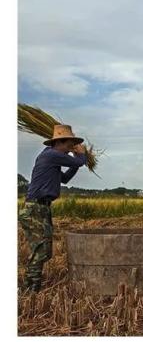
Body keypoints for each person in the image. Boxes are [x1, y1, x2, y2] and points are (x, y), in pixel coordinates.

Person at [19, 124, 87, 292]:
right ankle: (30, 290)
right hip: (35, 208)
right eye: (70, 145)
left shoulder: (52, 158)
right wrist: (82, 155)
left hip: (41, 208)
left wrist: (77, 163)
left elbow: (64, 179)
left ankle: (31, 285)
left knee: (45, 251)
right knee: (40, 250)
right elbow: (78, 161)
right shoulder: (51, 155)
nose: (71, 148)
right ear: (60, 143)